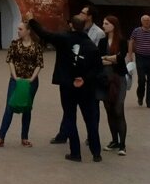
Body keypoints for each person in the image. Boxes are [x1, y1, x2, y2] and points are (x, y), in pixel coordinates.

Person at [26, 10, 103, 163]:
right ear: (83, 27)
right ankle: (96, 153)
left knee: (70, 117)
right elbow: (98, 69)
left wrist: (31, 20)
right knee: (90, 119)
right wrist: (84, 79)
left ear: (72, 26)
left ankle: (75, 153)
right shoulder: (91, 46)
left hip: (67, 85)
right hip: (85, 87)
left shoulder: (63, 39)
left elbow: (44, 34)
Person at [0, 21, 43, 148]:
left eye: (20, 29)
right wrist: (15, 76)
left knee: (27, 108)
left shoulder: (36, 46)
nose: (18, 31)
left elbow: (39, 64)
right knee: (10, 106)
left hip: (31, 82)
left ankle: (24, 137)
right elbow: (10, 60)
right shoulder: (15, 44)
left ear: (28, 31)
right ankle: (0, 136)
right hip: (16, 80)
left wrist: (32, 79)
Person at [98, 15, 129, 155]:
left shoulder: (122, 41)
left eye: (106, 23)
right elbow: (98, 59)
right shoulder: (102, 41)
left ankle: (122, 144)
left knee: (118, 109)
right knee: (109, 109)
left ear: (113, 26)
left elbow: (120, 58)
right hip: (105, 78)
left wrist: (107, 58)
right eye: (103, 23)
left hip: (118, 78)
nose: (104, 25)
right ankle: (114, 140)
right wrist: (110, 59)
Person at [128, 14, 150, 108]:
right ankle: (140, 96)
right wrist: (130, 55)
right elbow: (131, 42)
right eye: (145, 20)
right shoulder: (136, 31)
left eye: (148, 21)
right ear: (142, 22)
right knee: (141, 79)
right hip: (140, 57)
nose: (147, 22)